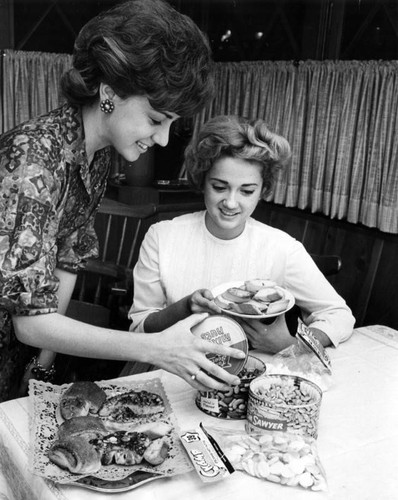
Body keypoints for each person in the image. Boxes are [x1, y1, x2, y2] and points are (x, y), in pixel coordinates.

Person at [0, 0, 247, 402]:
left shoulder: (94, 154)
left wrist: (42, 364)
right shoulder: (33, 162)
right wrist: (158, 349)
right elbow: (30, 322)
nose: (163, 139)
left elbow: (67, 260)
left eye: (170, 124)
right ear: (110, 93)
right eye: (155, 119)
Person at [128, 115, 355, 356]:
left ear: (262, 191)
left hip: (247, 375)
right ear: (202, 181)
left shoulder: (282, 248)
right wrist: (185, 307)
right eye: (219, 187)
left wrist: (292, 344)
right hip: (172, 366)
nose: (231, 202)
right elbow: (140, 328)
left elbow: (339, 315)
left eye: (246, 191)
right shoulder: (163, 236)